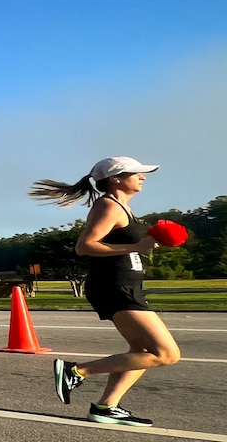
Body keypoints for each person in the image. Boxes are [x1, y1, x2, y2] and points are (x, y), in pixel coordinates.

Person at [30, 156, 180, 427]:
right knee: (166, 354)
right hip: (115, 287)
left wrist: (149, 241)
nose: (143, 177)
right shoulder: (108, 206)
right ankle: (77, 371)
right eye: (136, 173)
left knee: (141, 351)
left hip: (125, 286)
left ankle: (106, 407)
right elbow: (85, 246)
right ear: (115, 179)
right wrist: (136, 247)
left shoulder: (123, 208)